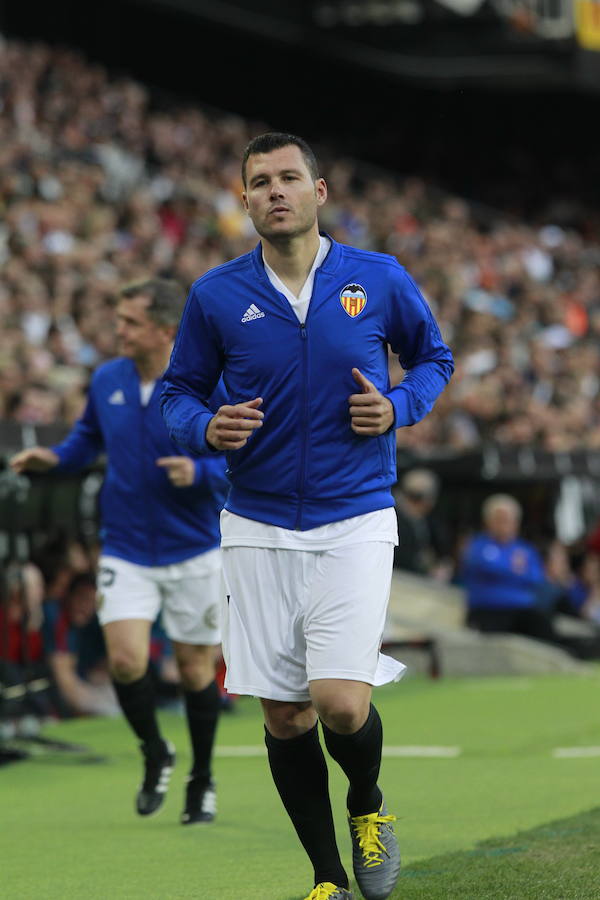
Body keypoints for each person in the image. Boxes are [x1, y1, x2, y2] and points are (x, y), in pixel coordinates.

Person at [161, 133, 454, 900]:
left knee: (340, 702)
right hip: (255, 523)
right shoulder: (217, 294)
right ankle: (326, 878)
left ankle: (368, 806)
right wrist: (204, 429)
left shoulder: (378, 278)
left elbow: (434, 360)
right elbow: (176, 394)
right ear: (246, 200)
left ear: (319, 192)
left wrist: (396, 407)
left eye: (289, 178)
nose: (275, 192)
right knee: (287, 717)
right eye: (260, 183)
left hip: (354, 515)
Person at [10, 278, 228, 825]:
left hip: (194, 547)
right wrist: (53, 460)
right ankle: (156, 752)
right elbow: (86, 440)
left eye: (129, 322)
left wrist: (198, 471)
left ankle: (201, 779)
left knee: (196, 669)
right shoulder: (108, 378)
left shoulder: (206, 382)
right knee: (127, 661)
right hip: (126, 546)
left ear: (162, 329)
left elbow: (241, 460)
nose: (119, 331)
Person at [460, 494, 555, 641]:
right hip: (488, 609)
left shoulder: (525, 549)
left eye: (509, 519)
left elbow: (536, 577)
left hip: (522, 609)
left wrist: (507, 572)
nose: (504, 524)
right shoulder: (478, 545)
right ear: (488, 521)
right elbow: (485, 567)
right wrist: (516, 571)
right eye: (499, 519)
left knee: (543, 626)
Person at [41, 571, 120, 718]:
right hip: (48, 700)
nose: (86, 606)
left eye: (92, 602)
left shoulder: (93, 623)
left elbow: (104, 669)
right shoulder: (56, 617)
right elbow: (68, 687)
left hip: (85, 685)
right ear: (68, 595)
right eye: (82, 598)